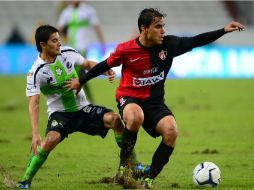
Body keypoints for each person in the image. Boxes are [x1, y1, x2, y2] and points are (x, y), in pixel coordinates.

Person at [65, 8, 245, 189]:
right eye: (158, 27)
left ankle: (148, 180)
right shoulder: (126, 49)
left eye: (163, 26)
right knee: (135, 117)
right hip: (129, 97)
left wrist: (223, 30)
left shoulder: (169, 45)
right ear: (144, 29)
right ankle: (125, 166)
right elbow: (105, 64)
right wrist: (81, 81)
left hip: (155, 103)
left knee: (171, 131)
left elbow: (196, 40)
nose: (163, 31)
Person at [17, 25, 137, 189]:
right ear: (43, 45)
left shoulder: (68, 53)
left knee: (115, 120)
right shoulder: (36, 72)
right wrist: (35, 133)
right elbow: (34, 102)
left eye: (59, 39)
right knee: (50, 140)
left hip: (83, 109)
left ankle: (132, 164)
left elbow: (87, 63)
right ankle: (25, 180)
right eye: (54, 41)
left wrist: (105, 70)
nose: (59, 43)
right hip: (60, 114)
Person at [57, 0, 106, 103]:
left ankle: (84, 99)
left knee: (79, 72)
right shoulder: (66, 12)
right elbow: (59, 30)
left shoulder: (88, 10)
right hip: (70, 47)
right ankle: (85, 99)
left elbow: (97, 27)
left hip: (83, 47)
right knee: (76, 74)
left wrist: (102, 44)